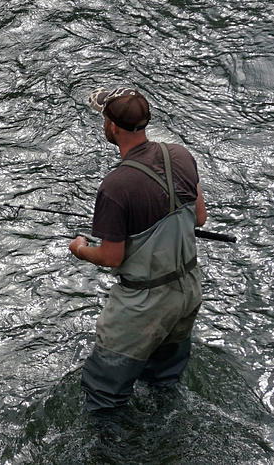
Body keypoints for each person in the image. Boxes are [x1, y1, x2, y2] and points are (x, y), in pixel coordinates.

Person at [68, 87, 207, 413]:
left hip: (143, 305)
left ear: (112, 126)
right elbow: (199, 217)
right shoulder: (181, 156)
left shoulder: (116, 186)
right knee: (163, 382)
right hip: (187, 292)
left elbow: (111, 257)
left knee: (103, 393)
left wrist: (80, 248)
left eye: (104, 118)